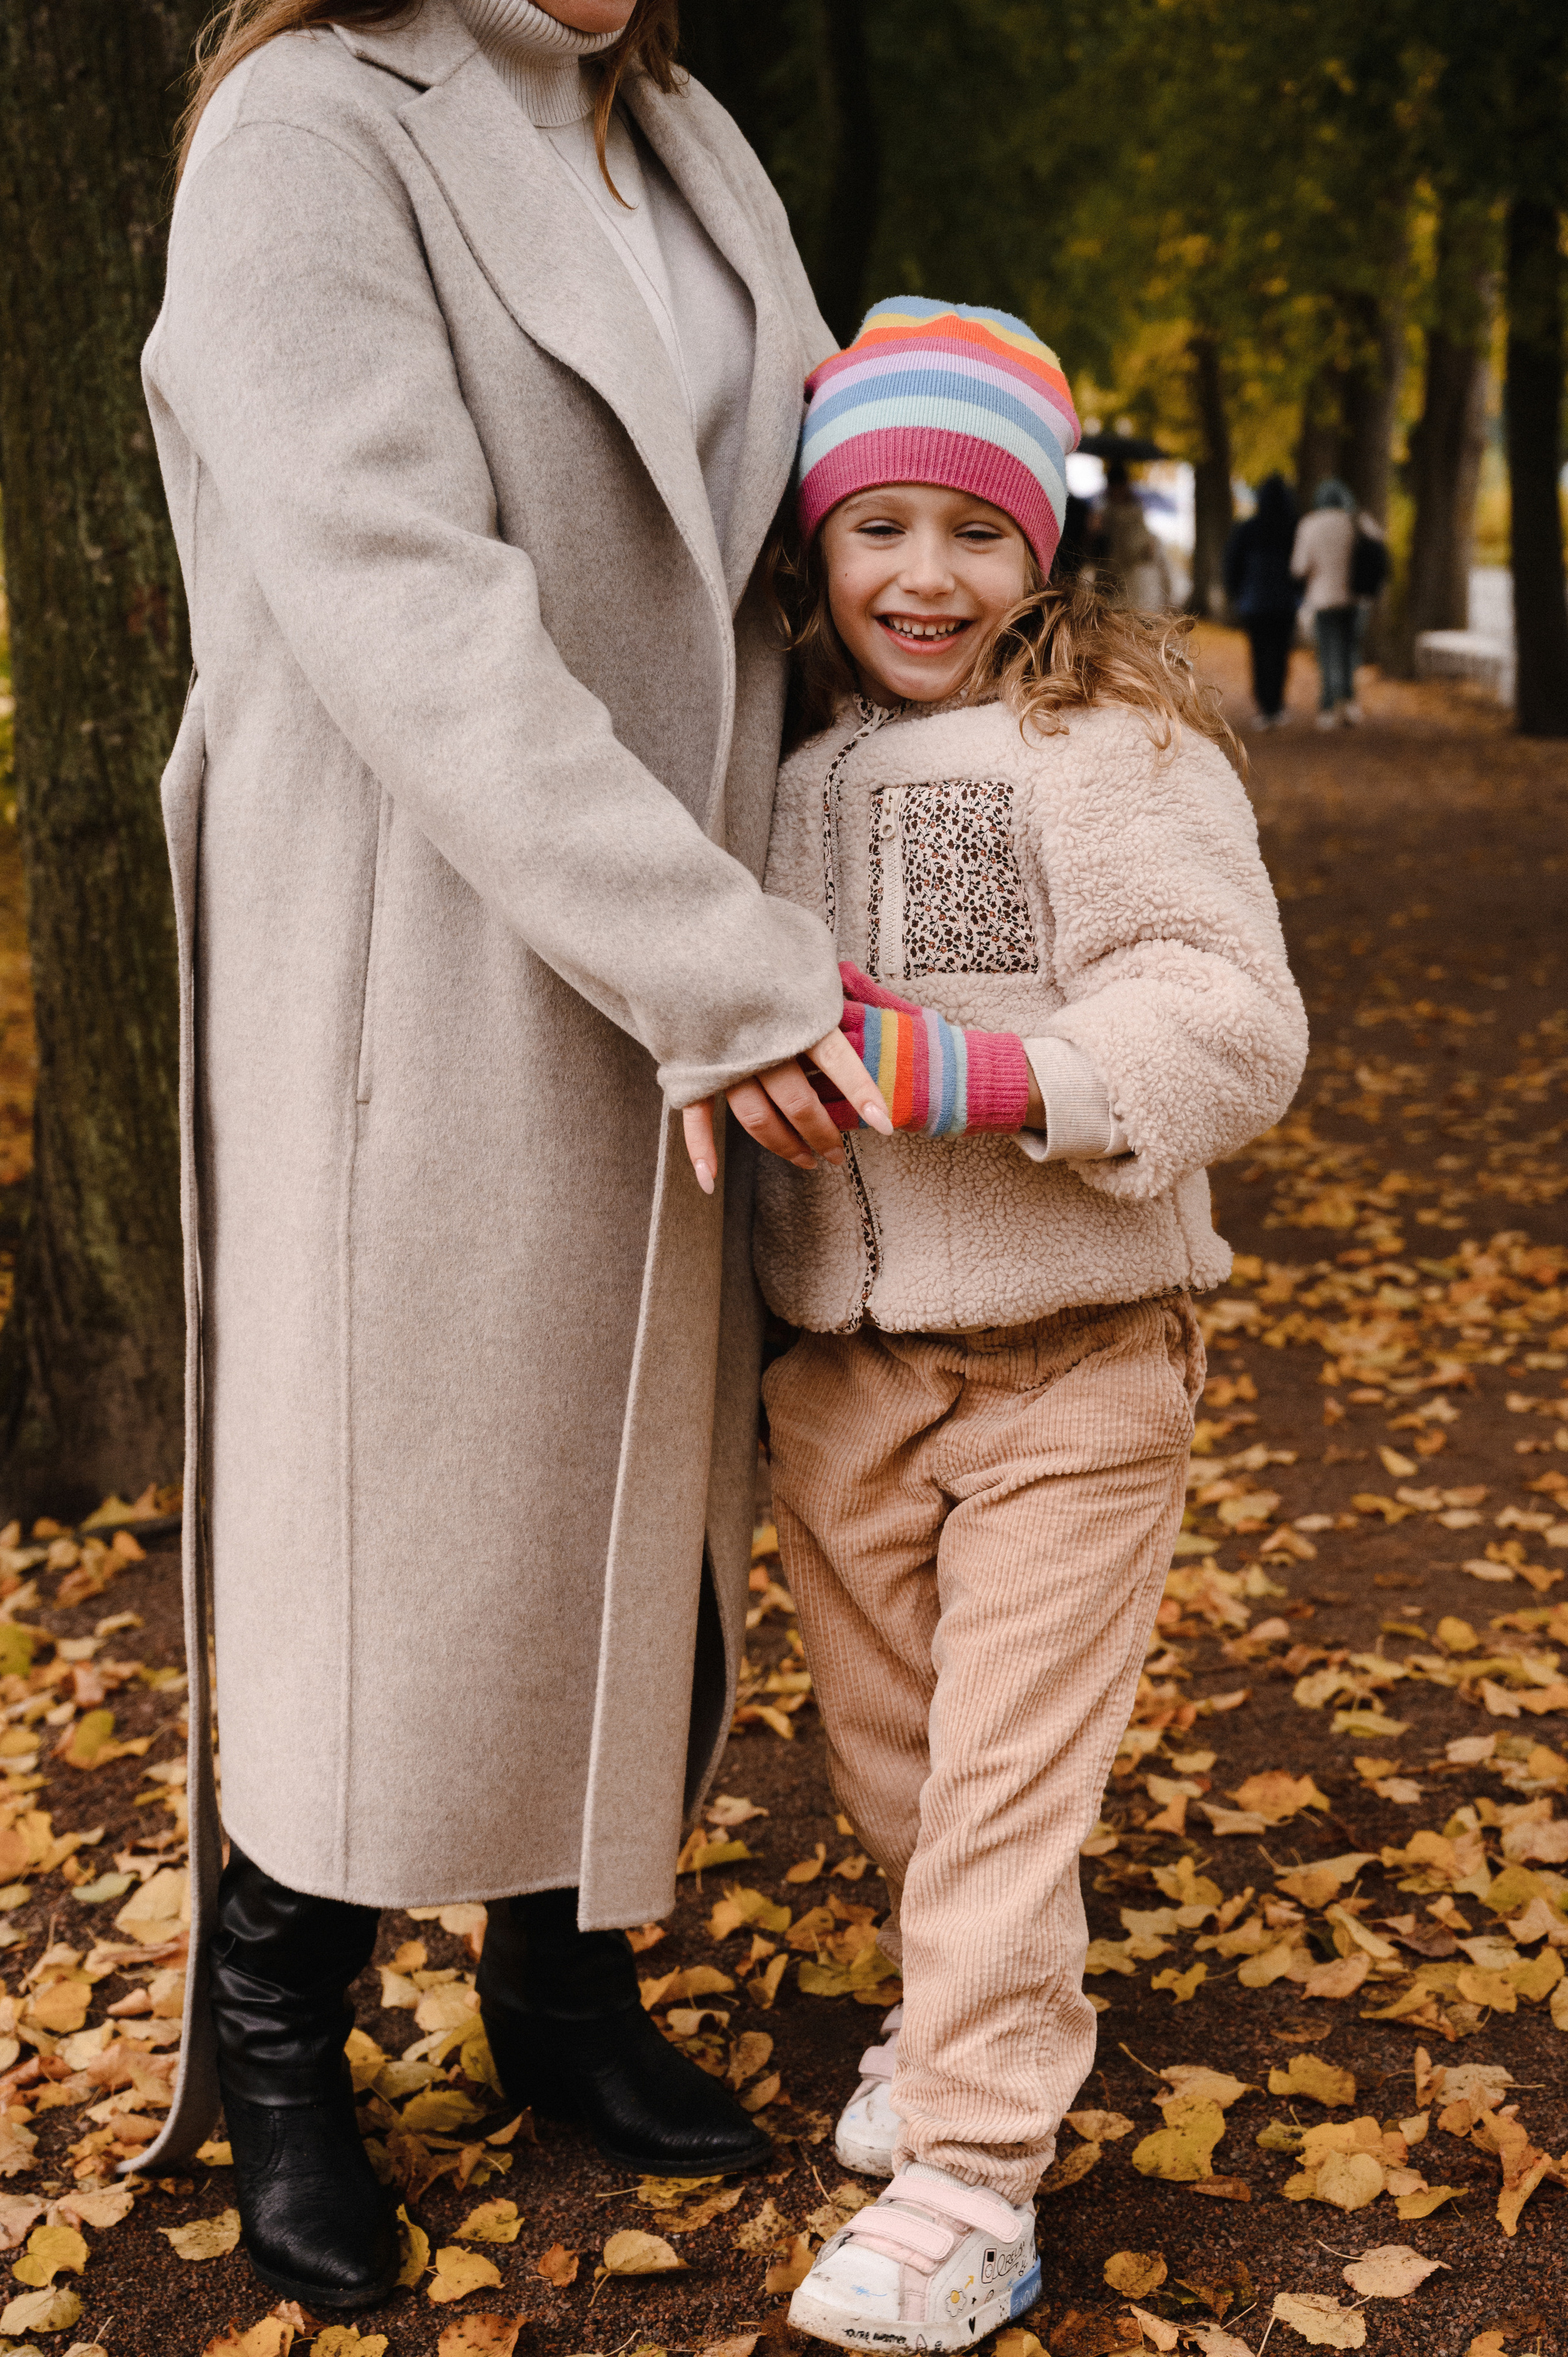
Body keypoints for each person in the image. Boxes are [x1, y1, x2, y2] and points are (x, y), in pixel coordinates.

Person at [138, 0, 892, 2315]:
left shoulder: (681, 135)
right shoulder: (301, 126)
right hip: (430, 937)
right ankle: (281, 2030)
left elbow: (799, 499)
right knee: (399, 1510)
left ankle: (558, 1984)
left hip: (684, 916)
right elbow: (400, 602)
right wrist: (715, 959)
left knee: (630, 1486)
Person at [706, 298, 1307, 2356]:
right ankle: (969, 2006)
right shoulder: (780, 761)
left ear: (1038, 547)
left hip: (1077, 1357)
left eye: (970, 530)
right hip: (841, 1375)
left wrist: (1002, 1073)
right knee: (898, 1766)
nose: (925, 576)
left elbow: (1231, 1013)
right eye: (878, 528)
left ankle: (972, 2177)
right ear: (817, 543)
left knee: (997, 1784)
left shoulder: (1111, 750)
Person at [1224, 471, 1300, 727]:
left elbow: (1232, 564)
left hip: (1255, 602)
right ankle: (1276, 704)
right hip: (1284, 603)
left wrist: (1236, 593)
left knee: (1260, 654)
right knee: (1280, 653)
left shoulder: (1248, 529)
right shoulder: (1293, 528)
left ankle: (1265, 705)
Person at [1291, 477, 1363, 727]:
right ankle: (1350, 702)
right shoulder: (1357, 521)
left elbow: (1298, 567)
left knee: (1328, 653)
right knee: (1349, 651)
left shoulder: (1310, 524)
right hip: (1354, 598)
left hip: (1322, 598)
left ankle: (1330, 706)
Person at [1091, 457, 1172, 611]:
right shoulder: (1103, 514)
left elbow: (1139, 550)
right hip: (1113, 583)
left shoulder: (1132, 514)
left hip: (1133, 583)